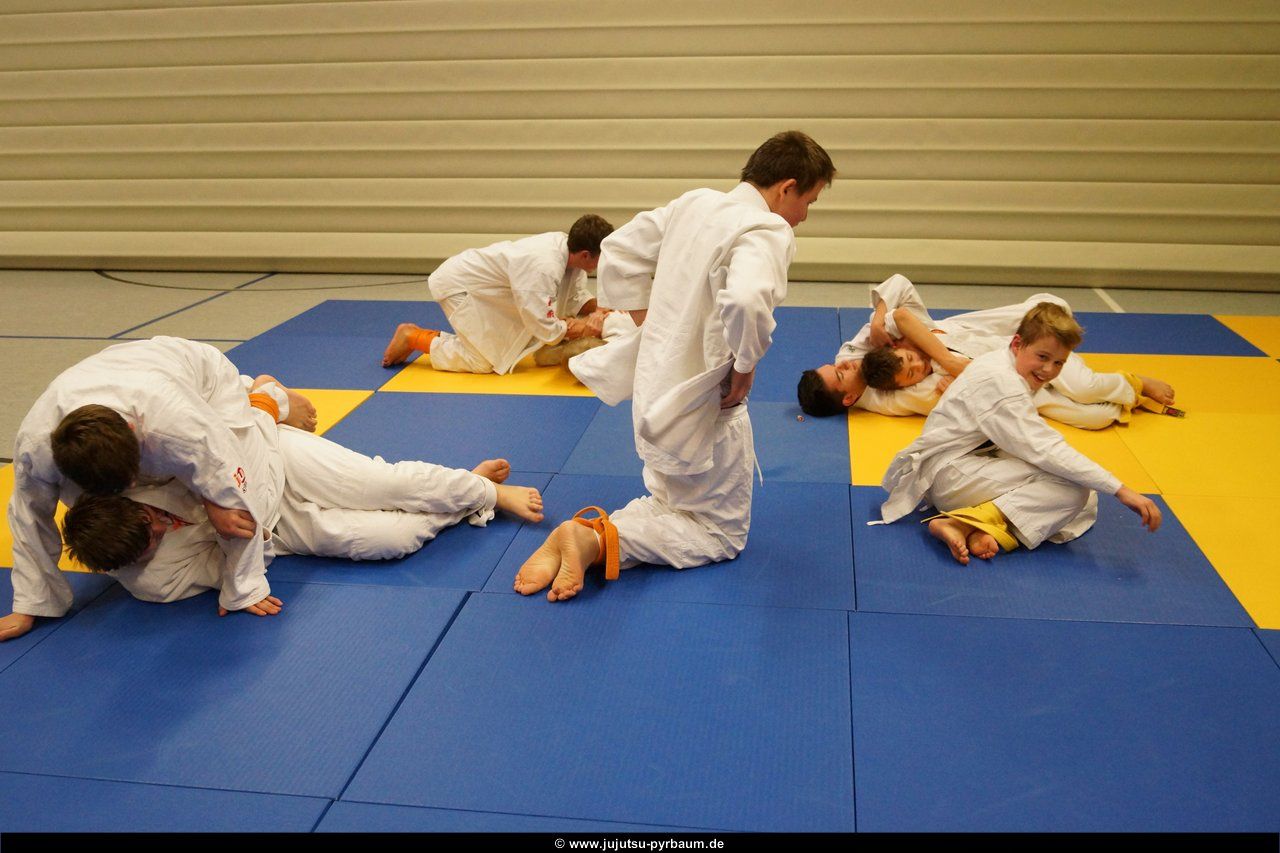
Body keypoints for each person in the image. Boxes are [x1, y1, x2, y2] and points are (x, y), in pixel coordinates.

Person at [513, 130, 836, 601]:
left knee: (669, 501)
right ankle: (591, 542)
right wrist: (745, 364)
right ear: (787, 188)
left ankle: (589, 534)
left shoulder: (694, 203)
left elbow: (619, 249)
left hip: (653, 384)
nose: (804, 215)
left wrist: (649, 321)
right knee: (719, 533)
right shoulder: (766, 228)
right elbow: (747, 300)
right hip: (706, 398)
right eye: (809, 201)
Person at [58, 406, 544, 613]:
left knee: (382, 484)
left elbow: (213, 441)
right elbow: (231, 565)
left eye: (152, 518)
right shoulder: (155, 583)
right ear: (134, 561)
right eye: (155, 540)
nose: (165, 525)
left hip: (271, 462)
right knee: (387, 542)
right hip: (270, 530)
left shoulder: (133, 475)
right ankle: (464, 492)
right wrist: (241, 584)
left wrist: (270, 400)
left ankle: (486, 493)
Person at [0, 337, 319, 642]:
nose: (134, 488)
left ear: (132, 431)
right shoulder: (37, 448)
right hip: (122, 386)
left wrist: (243, 586)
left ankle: (264, 402)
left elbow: (234, 487)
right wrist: (30, 603)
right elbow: (29, 516)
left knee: (247, 505)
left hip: (202, 383)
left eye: (131, 479)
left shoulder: (179, 424)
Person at [878, 302, 1162, 565]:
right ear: (1017, 344)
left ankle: (979, 527)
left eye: (1059, 363)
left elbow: (1034, 442)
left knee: (1084, 498)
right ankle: (960, 523)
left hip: (968, 465)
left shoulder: (1002, 361)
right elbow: (1045, 449)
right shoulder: (1003, 383)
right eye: (1043, 357)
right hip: (951, 476)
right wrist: (1121, 490)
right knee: (1074, 492)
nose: (1049, 369)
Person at [797, 274, 1178, 429]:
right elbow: (941, 400)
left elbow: (900, 300)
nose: (844, 364)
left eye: (835, 365)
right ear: (849, 398)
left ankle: (1132, 382)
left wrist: (882, 318)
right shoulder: (884, 400)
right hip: (995, 374)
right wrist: (951, 383)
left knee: (1077, 373)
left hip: (967, 340)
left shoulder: (854, 352)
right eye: (841, 374)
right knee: (1090, 417)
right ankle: (1126, 395)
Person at [381, 214, 615, 373]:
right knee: (483, 362)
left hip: (493, 292)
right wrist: (582, 328)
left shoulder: (570, 259)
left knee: (510, 346)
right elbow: (542, 325)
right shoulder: (543, 266)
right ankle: (412, 336)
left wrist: (605, 308)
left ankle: (426, 338)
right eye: (601, 257)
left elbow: (575, 299)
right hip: (461, 287)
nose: (603, 263)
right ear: (585, 254)